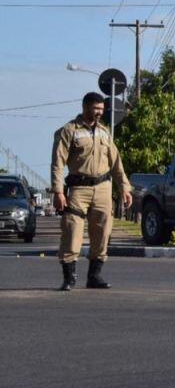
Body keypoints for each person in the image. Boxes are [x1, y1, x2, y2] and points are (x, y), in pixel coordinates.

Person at [51, 92, 132, 291]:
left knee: (103, 232)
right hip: (79, 188)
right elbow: (58, 163)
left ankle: (94, 276)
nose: (99, 113)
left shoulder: (105, 132)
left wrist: (124, 187)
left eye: (101, 110)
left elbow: (116, 163)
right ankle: (69, 277)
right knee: (72, 232)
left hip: (103, 188)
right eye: (96, 109)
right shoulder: (69, 131)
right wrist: (58, 191)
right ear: (85, 107)